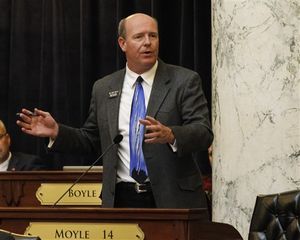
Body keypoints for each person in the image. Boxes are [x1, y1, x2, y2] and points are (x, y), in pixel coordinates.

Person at [16, 13, 213, 208]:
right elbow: (92, 140)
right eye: (139, 36)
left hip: (173, 199)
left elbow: (203, 132)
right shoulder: (104, 87)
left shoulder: (184, 81)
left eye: (153, 35)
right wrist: (57, 132)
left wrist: (171, 134)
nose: (148, 42)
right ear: (122, 43)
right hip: (121, 199)